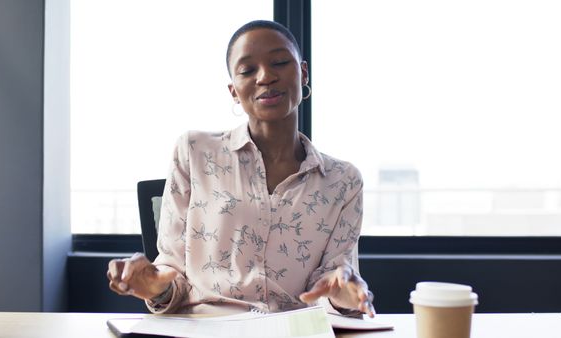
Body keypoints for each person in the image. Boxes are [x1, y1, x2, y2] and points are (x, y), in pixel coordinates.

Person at [107, 20, 375, 317]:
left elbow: (335, 284)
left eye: (280, 62)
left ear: (303, 73)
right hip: (206, 329)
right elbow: (172, 275)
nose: (266, 76)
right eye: (248, 70)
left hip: (292, 332)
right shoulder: (194, 152)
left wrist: (343, 296)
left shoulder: (343, 181)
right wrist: (155, 287)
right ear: (234, 90)